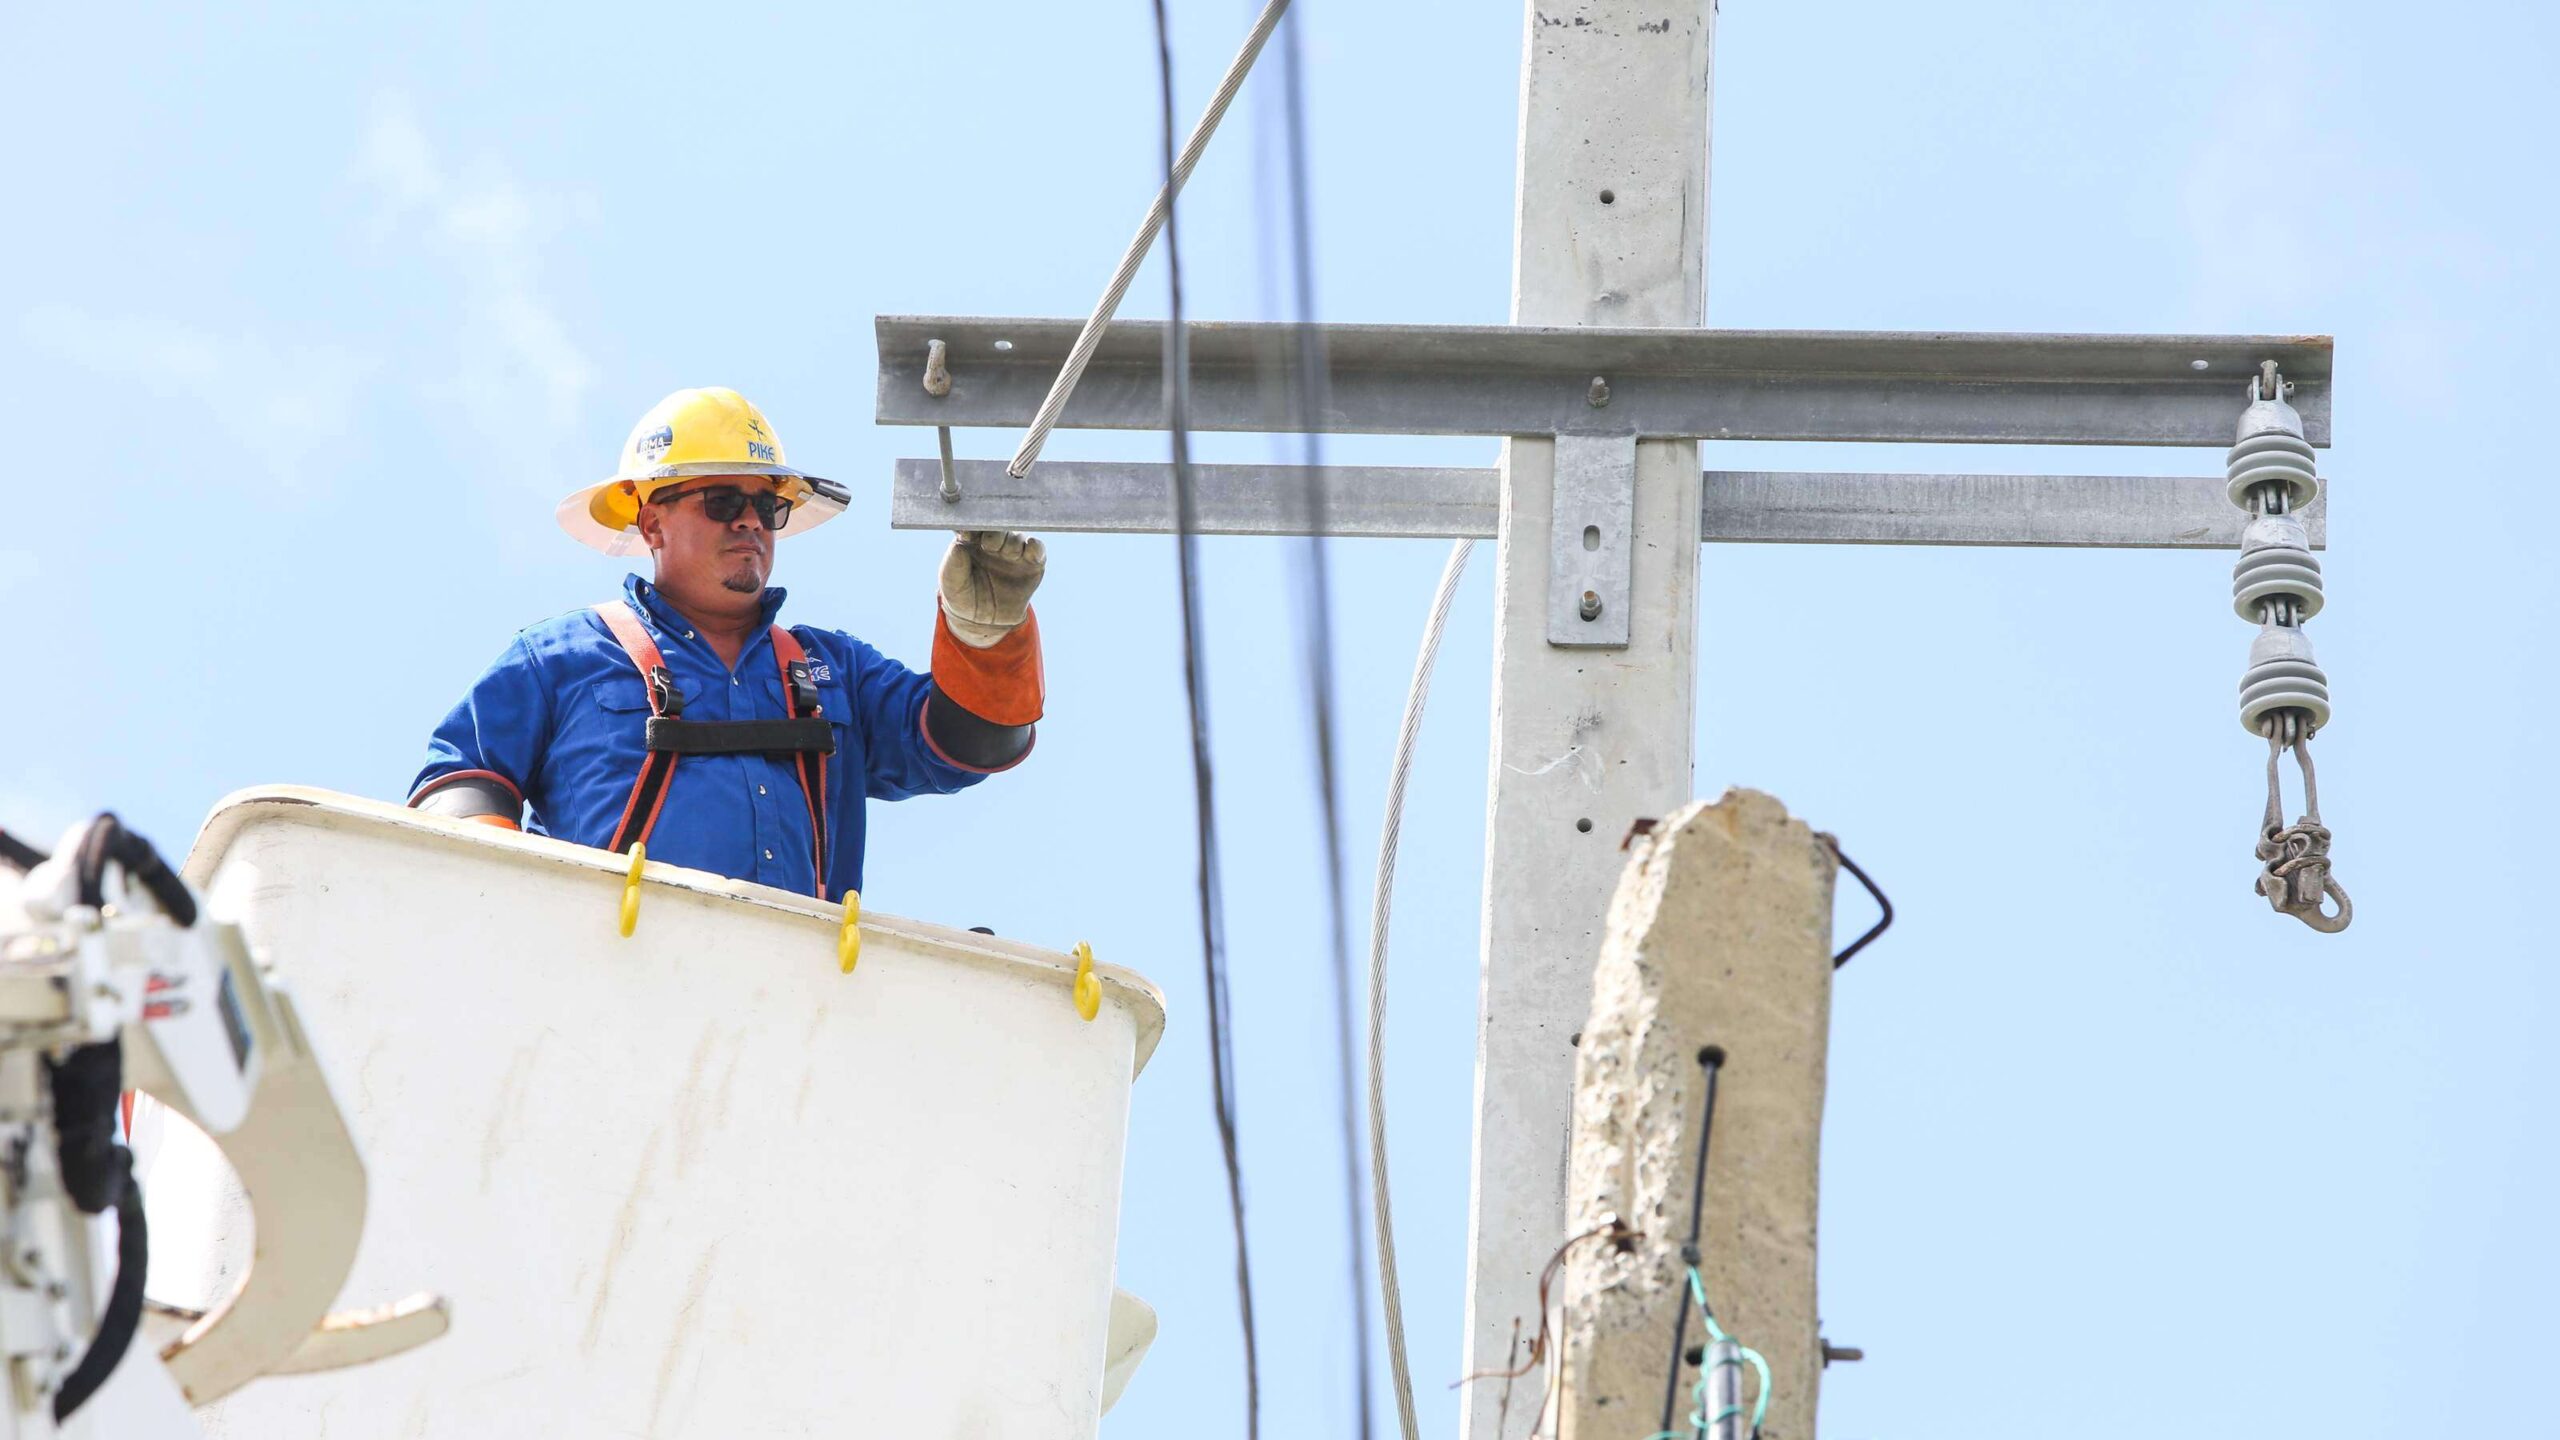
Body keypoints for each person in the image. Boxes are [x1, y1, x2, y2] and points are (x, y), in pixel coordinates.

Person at [407, 386, 1044, 900]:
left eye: (766, 507)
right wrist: (511, 904)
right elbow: (459, 789)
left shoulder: (832, 671)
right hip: (610, 984)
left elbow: (969, 744)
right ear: (652, 524)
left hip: (798, 994)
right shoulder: (561, 658)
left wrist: (985, 634)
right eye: (721, 501)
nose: (749, 521)